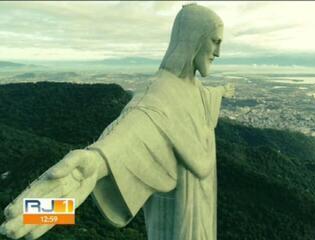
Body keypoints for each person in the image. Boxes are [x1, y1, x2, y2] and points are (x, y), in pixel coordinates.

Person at [0, 4, 234, 240]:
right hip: (176, 224)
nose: (218, 52)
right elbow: (134, 129)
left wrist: (223, 91)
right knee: (55, 200)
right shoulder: (160, 92)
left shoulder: (195, 90)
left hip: (204, 214)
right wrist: (98, 161)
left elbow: (204, 99)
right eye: (215, 41)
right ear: (193, 39)